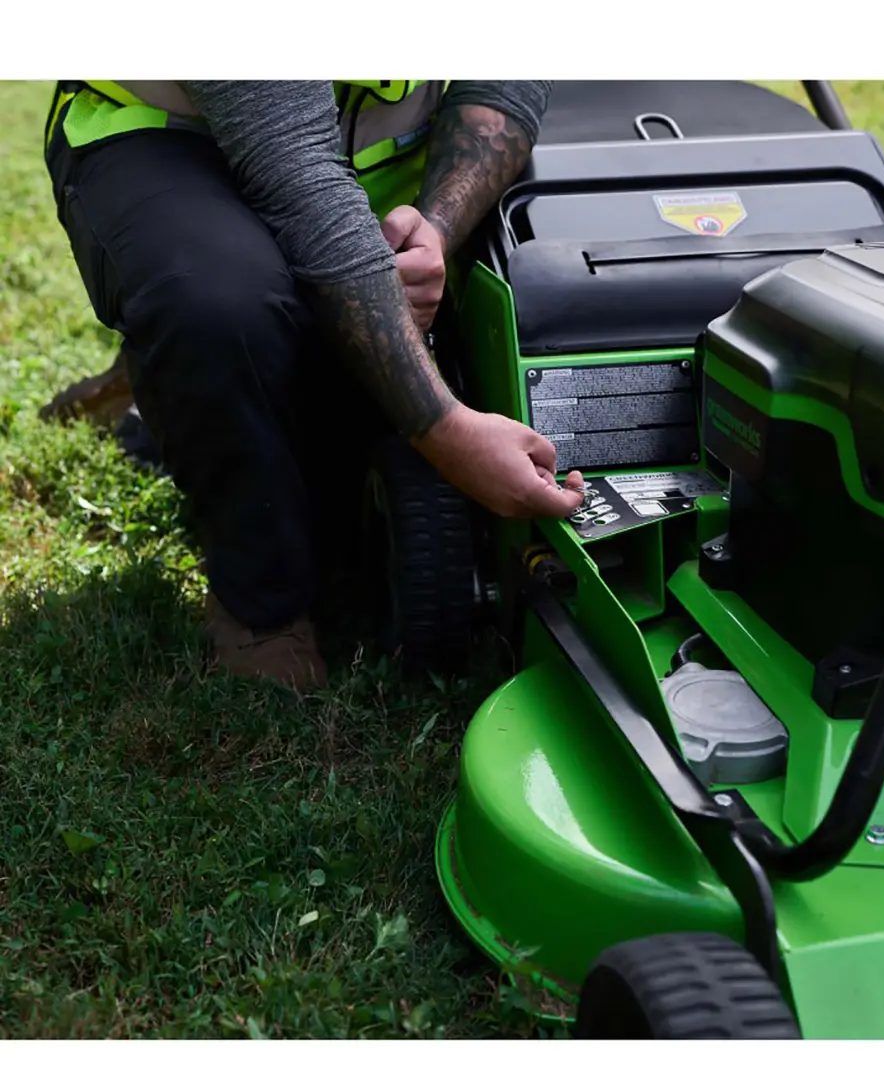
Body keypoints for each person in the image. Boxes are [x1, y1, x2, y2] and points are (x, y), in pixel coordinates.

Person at [43, 80, 585, 690]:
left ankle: (187, 378)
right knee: (220, 308)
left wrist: (433, 231)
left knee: (328, 420)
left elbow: (505, 82)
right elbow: (299, 178)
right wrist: (448, 432)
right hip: (174, 147)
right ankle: (260, 607)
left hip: (367, 168)